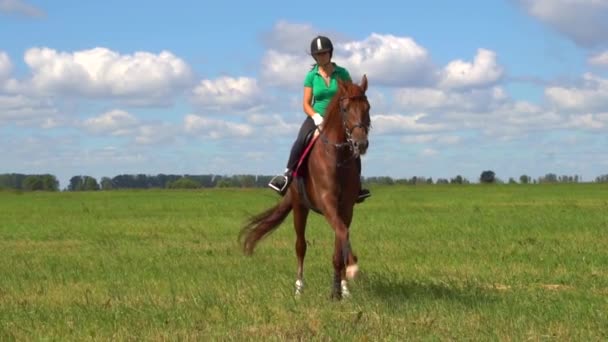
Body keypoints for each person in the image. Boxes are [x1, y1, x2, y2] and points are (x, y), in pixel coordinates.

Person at [268, 35, 371, 202]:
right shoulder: (311, 76)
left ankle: (356, 186)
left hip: (338, 119)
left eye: (324, 53)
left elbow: (351, 97)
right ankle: (286, 176)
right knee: (301, 139)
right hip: (316, 116)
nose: (321, 57)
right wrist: (316, 117)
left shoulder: (343, 73)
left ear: (330, 54)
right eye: (318, 54)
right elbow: (306, 104)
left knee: (354, 146)